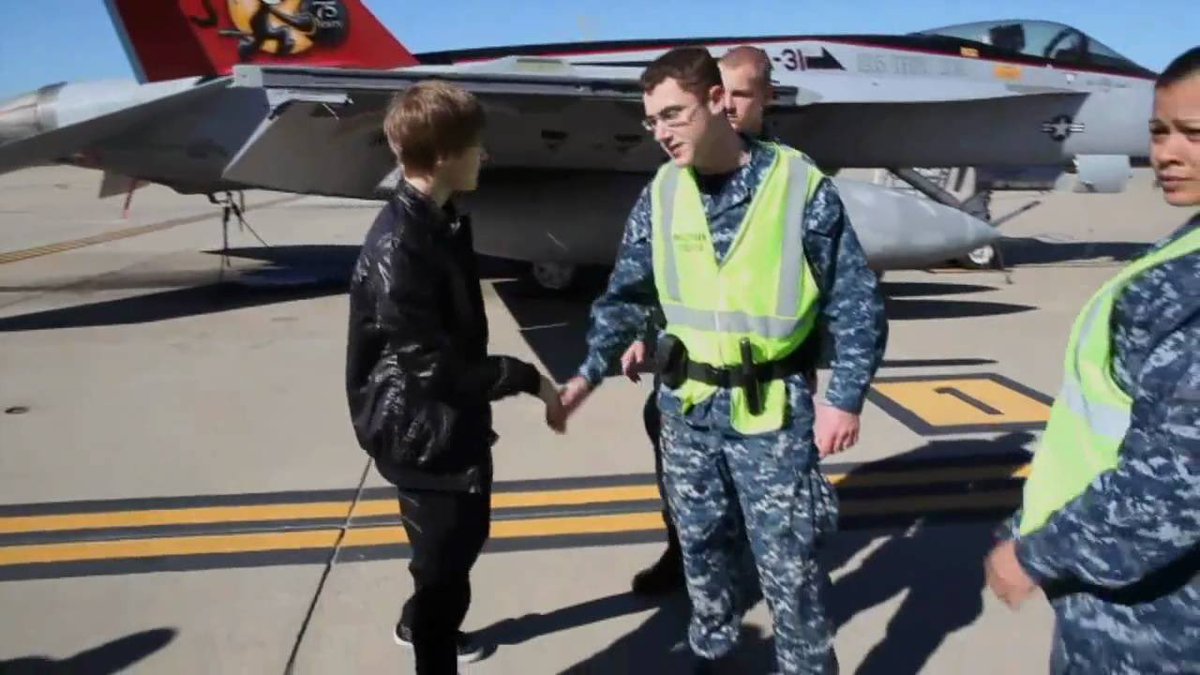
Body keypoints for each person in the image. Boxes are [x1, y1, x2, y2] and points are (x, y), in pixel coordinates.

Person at [559, 47, 888, 673]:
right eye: (652, 120)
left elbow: (855, 300)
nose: (661, 132)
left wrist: (844, 396)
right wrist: (593, 366)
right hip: (687, 413)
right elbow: (628, 292)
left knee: (789, 568)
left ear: (717, 101)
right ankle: (713, 659)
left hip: (771, 412)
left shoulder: (798, 187)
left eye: (673, 115)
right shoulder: (661, 193)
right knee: (701, 554)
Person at [984, 45, 1200, 674]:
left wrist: (1035, 553)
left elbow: (1176, 485)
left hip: (1157, 629)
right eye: (1159, 131)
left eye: (1194, 134)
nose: (1165, 153)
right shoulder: (1181, 249)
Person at [344, 80, 565, 675]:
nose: (484, 156)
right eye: (475, 145)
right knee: (444, 579)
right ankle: (426, 637)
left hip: (452, 423)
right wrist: (528, 378)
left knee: (461, 548)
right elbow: (429, 368)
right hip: (421, 434)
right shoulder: (399, 246)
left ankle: (420, 620)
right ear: (443, 155)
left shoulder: (440, 219)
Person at [620, 44, 825, 597]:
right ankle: (687, 555)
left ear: (766, 99)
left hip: (766, 381)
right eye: (724, 93)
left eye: (743, 94)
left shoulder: (790, 182)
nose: (731, 106)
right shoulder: (680, 178)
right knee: (685, 484)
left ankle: (765, 571)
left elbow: (821, 287)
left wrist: (814, 369)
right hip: (689, 378)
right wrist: (643, 336)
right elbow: (667, 269)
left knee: (777, 513)